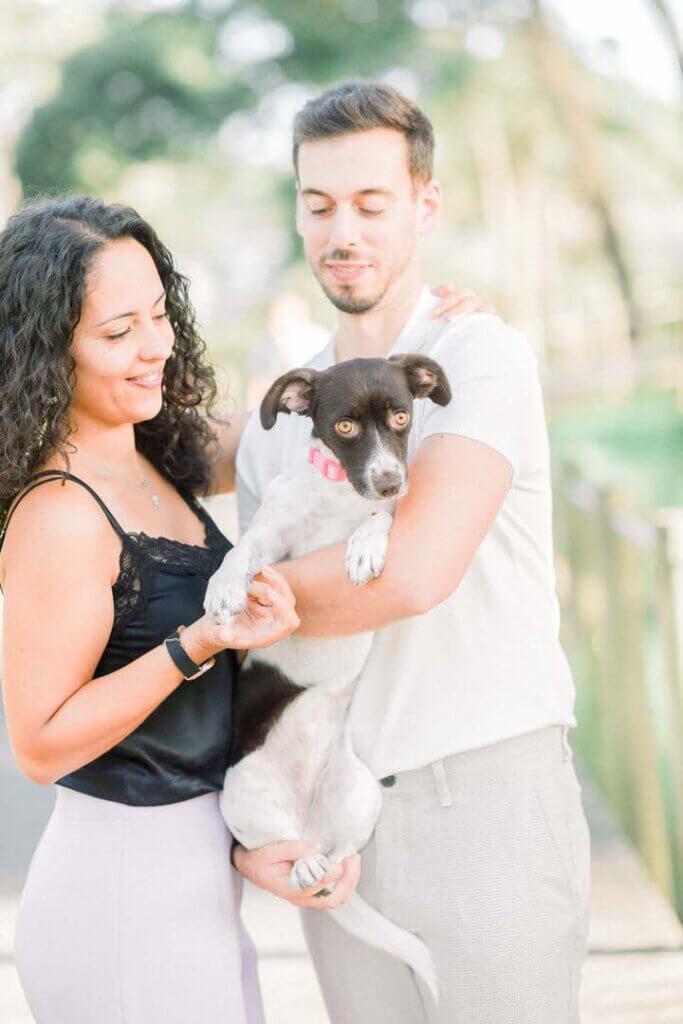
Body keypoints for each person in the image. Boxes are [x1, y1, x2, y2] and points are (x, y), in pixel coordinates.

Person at [0, 195, 476, 1022]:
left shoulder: (156, 456)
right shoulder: (60, 512)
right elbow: (39, 745)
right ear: (48, 353)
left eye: (157, 314)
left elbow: (341, 412)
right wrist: (200, 641)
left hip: (195, 882)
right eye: (118, 333)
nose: (154, 346)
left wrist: (436, 333)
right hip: (120, 893)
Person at [232, 82, 591, 1024]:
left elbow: (412, 574)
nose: (341, 230)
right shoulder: (282, 417)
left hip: (482, 795)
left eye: (370, 203)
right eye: (318, 205)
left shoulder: (475, 356)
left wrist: (249, 598)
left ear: (423, 206)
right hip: (332, 812)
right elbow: (257, 656)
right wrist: (247, 836)